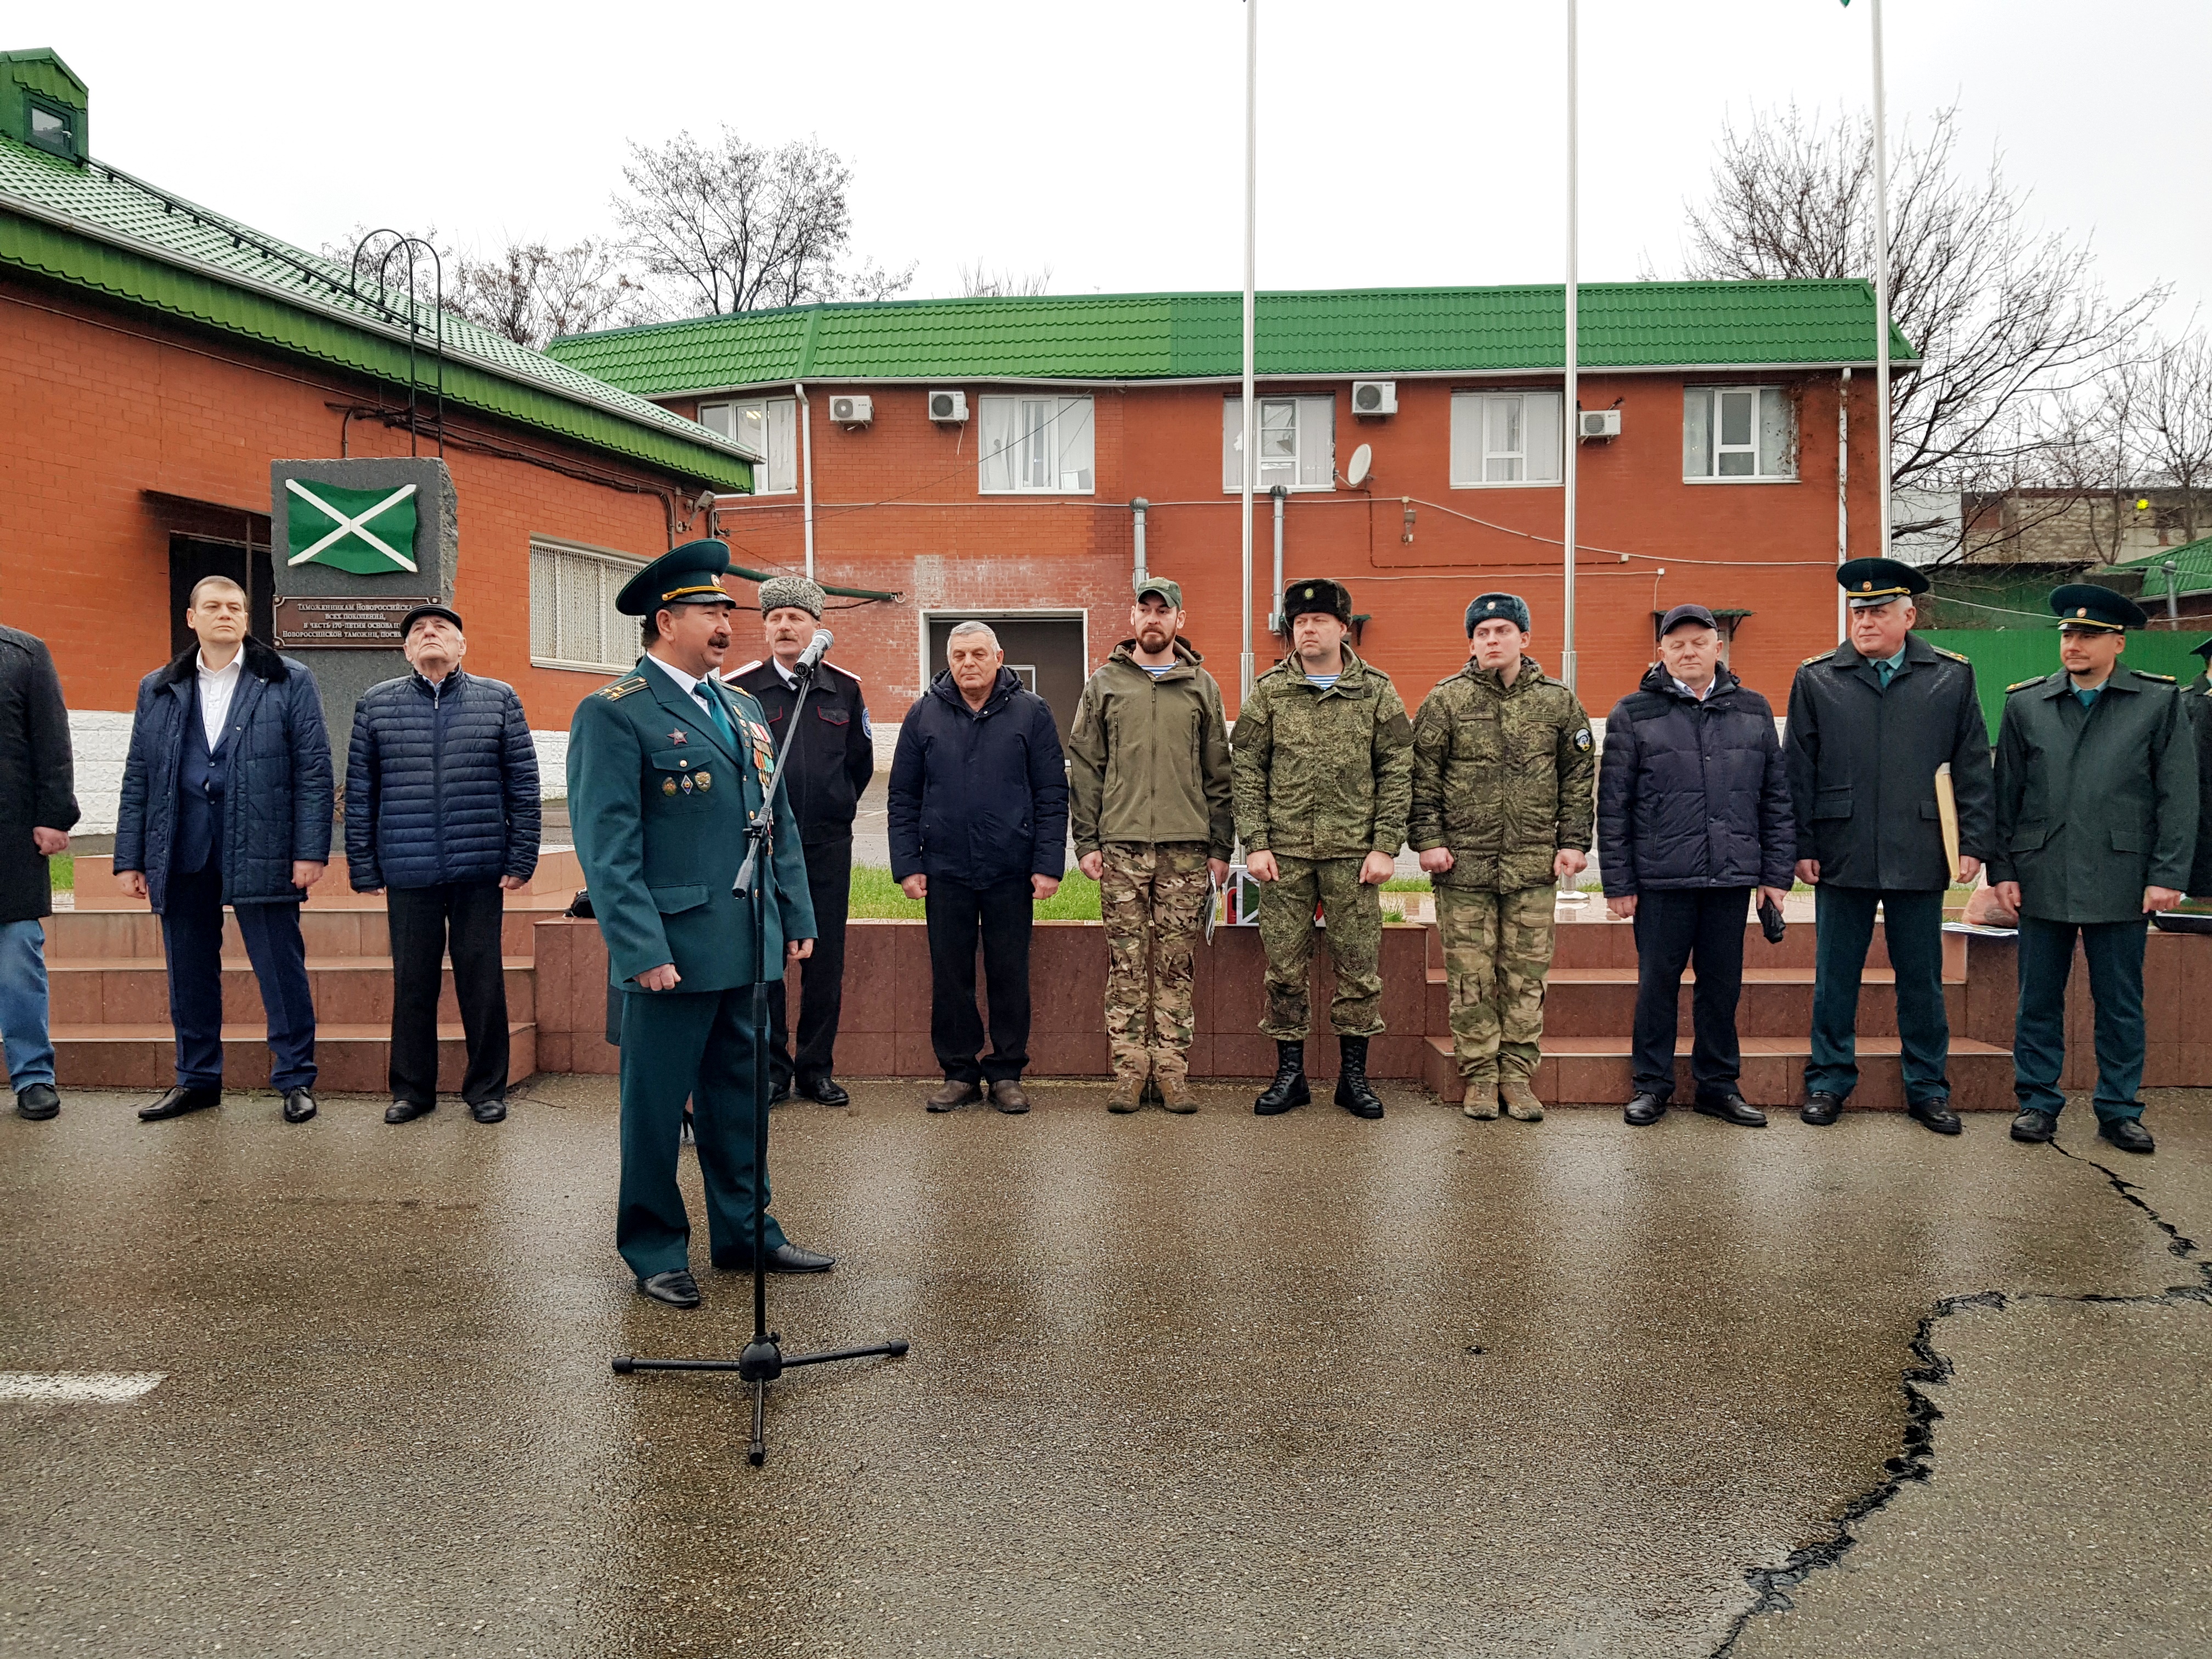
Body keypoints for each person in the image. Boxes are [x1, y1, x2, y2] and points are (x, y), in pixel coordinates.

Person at [567, 540, 826, 1309]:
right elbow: (607, 846)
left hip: (744, 942)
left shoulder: (741, 707)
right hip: (671, 950)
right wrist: (639, 946)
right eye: (711, 612)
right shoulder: (615, 713)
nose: (725, 625)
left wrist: (795, 913)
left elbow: (772, 818)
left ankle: (749, 1234)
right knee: (655, 1110)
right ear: (665, 619)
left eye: (725, 612)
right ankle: (654, 1249)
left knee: (741, 1101)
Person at [1786, 558, 1995, 1134]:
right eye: (1858, 611)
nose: (1865, 621)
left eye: (1878, 611)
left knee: (1921, 977)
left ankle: (1927, 1087)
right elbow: (1797, 771)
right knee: (1836, 976)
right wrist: (1800, 844)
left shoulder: (1951, 675)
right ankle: (1828, 1081)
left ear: (1909, 615)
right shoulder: (1818, 677)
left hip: (1921, 845)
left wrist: (1974, 842)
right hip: (1840, 846)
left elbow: (1974, 763)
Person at [115, 575, 331, 1125]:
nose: (226, 614)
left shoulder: (286, 679)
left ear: (246, 618)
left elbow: (313, 770)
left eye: (235, 606)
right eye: (213, 606)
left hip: (263, 842)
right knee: (188, 972)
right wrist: (131, 856)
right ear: (192, 618)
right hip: (182, 845)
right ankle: (197, 1080)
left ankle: (295, 1079)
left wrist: (311, 851)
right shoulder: (158, 686)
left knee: (279, 967)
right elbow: (140, 773)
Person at [1989, 585, 2197, 1156]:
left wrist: (2169, 873)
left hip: (2121, 874)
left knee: (2120, 1001)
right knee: (2037, 998)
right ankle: (2037, 1102)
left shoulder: (2157, 702)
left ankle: (2119, 1109)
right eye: (2067, 635)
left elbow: (2177, 796)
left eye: (2087, 635)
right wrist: (2001, 869)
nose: (2074, 644)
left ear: (2118, 642)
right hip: (2042, 870)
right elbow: (2005, 795)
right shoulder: (2027, 703)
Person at [1598, 603, 1793, 1128]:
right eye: (1677, 644)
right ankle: (1651, 1085)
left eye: (1699, 642)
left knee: (1722, 986)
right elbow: (1613, 806)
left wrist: (1775, 876)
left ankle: (1718, 1086)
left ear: (1718, 648)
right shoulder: (1632, 713)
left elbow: (1775, 799)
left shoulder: (1753, 711)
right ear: (1661, 652)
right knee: (1656, 985)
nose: (1688, 652)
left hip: (1730, 877)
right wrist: (1618, 882)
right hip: (1662, 879)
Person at [346, 604, 540, 1127]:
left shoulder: (498, 699)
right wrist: (363, 865)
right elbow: (362, 793)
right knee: (413, 982)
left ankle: (486, 1090)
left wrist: (522, 855)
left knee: (482, 979)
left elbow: (523, 783)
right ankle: (412, 1091)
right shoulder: (377, 704)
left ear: (462, 646)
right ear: (406, 650)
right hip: (408, 870)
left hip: (480, 866)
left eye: (443, 629)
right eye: (418, 631)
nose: (429, 634)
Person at [1231, 577, 1413, 1120]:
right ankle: (1290, 1077)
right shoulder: (1269, 691)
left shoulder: (1377, 691)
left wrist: (1385, 847)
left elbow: (1398, 772)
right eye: (1299, 623)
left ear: (1343, 628)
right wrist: (1256, 843)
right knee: (1284, 969)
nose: (1308, 630)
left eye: (1319, 621)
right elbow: (1247, 771)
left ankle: (1353, 1080)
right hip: (1283, 856)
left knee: (1359, 969)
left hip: (1354, 858)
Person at [1410, 592, 1595, 1124]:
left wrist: (1573, 842)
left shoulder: (1558, 702)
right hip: (1461, 866)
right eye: (1483, 633)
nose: (1493, 641)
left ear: (1524, 638)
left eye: (1502, 631)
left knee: (1525, 977)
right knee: (1470, 977)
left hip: (1533, 865)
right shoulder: (1445, 701)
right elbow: (1421, 777)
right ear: (1471, 642)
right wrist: (1427, 840)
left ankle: (1516, 1075)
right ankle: (1480, 1078)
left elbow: (1579, 778)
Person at [1068, 573, 1234, 1114]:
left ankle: (1171, 1071)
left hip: (1187, 849)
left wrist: (1220, 848)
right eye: (1146, 609)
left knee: (1175, 965)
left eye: (1165, 610)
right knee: (1127, 965)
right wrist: (1087, 841)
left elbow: (1219, 774)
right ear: (1134, 618)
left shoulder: (1201, 687)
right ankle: (1130, 1071)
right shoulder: (1105, 685)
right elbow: (1087, 769)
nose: (1155, 618)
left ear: (1179, 620)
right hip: (1121, 849)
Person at [888, 621, 1068, 1114]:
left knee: (1010, 971)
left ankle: (1007, 1071)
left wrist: (1048, 863)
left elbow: (1052, 793)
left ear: (999, 656)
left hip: (1012, 869)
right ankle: (959, 1072)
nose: (968, 663)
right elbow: (903, 796)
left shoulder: (1032, 713)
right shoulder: (923, 714)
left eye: (978, 654)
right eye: (959, 655)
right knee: (951, 975)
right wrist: (908, 864)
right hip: (944, 869)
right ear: (949, 660)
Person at [724, 575, 875, 1107]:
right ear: (765, 628)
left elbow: (860, 764)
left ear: (816, 627)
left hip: (827, 845)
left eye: (796, 618)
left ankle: (816, 1069)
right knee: (768, 956)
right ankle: (771, 1071)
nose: (785, 626)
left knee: (824, 961)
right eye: (775, 618)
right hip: (763, 845)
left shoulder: (845, 687)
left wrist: (834, 807)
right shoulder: (740, 689)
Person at [0, 624, 78, 1121]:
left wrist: (55, 816)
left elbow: (51, 737)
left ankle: (32, 1076)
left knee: (17, 956)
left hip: (9, 838)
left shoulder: (24, 653)